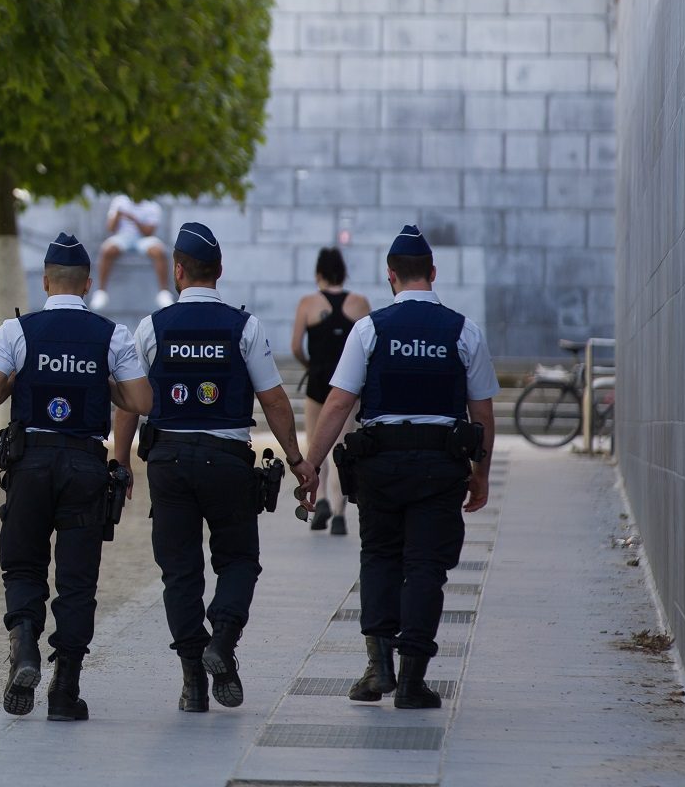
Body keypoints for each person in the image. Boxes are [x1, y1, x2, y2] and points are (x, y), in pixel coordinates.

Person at [112, 222, 316, 713]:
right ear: (219, 271)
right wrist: (297, 459)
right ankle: (222, 640)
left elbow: (130, 402)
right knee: (239, 559)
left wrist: (119, 460)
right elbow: (274, 401)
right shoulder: (244, 327)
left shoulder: (152, 327)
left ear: (178, 271)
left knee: (179, 570)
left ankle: (192, 680)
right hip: (227, 461)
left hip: (168, 461)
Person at [299, 225, 497, 710]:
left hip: (381, 465)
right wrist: (481, 473)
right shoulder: (464, 331)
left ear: (391, 276)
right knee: (426, 566)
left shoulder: (370, 329)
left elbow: (339, 402)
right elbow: (482, 413)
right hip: (440, 467)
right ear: (433, 272)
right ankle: (411, 681)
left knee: (380, 557)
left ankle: (379, 667)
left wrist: (311, 466)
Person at [0, 233, 153, 721]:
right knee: (77, 581)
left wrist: (16, 379)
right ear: (88, 284)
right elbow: (142, 401)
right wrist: (101, 383)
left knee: (23, 565)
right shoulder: (111, 335)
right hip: (84, 467)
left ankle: (25, 644)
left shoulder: (16, 331)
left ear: (46, 281)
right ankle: (65, 690)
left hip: (30, 464)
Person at [290, 248, 371, 536]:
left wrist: (309, 365)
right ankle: (339, 513)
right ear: (343, 272)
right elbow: (369, 346)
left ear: (318, 273)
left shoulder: (308, 303)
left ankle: (321, 498)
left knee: (316, 442)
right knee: (341, 447)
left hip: (317, 380)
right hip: (347, 385)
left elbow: (296, 346)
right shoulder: (360, 303)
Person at [90, 194, 172, 311]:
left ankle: (164, 292)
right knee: (107, 250)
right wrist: (117, 215)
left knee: (159, 252)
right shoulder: (119, 201)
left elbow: (148, 232)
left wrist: (133, 218)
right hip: (122, 237)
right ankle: (101, 292)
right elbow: (111, 228)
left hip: (143, 239)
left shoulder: (152, 206)